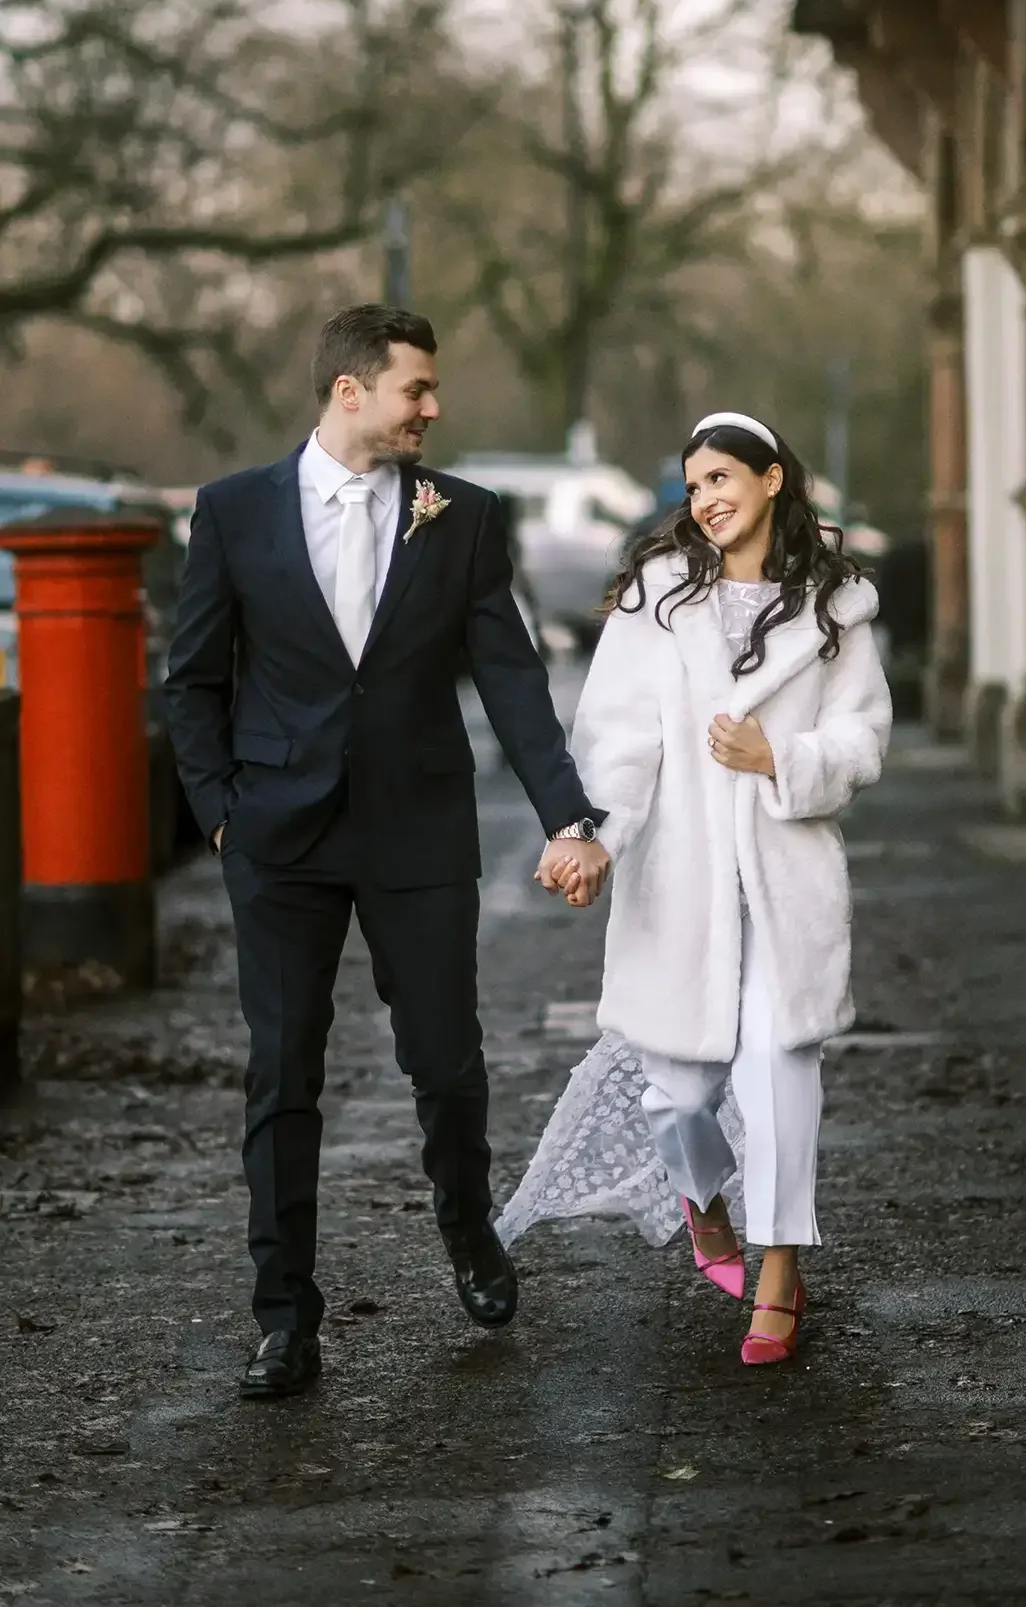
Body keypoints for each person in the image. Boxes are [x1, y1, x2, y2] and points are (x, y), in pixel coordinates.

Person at [164, 304, 610, 1399]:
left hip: (417, 829)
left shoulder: (459, 515)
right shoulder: (232, 513)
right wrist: (220, 809)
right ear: (350, 390)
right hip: (280, 839)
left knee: (450, 1068)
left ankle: (469, 1230)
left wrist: (569, 814)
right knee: (283, 1077)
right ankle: (285, 1321)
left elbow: (509, 675)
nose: (434, 409)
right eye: (417, 389)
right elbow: (193, 679)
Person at [504, 411, 891, 1364]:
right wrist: (594, 837)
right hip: (676, 875)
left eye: (723, 477)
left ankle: (778, 1271)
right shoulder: (657, 596)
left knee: (777, 1067)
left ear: (771, 481)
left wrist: (781, 758)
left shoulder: (836, 605)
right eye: (693, 485)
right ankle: (703, 1200)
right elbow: (617, 736)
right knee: (674, 1095)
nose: (707, 498)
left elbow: (862, 741)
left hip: (783, 874)